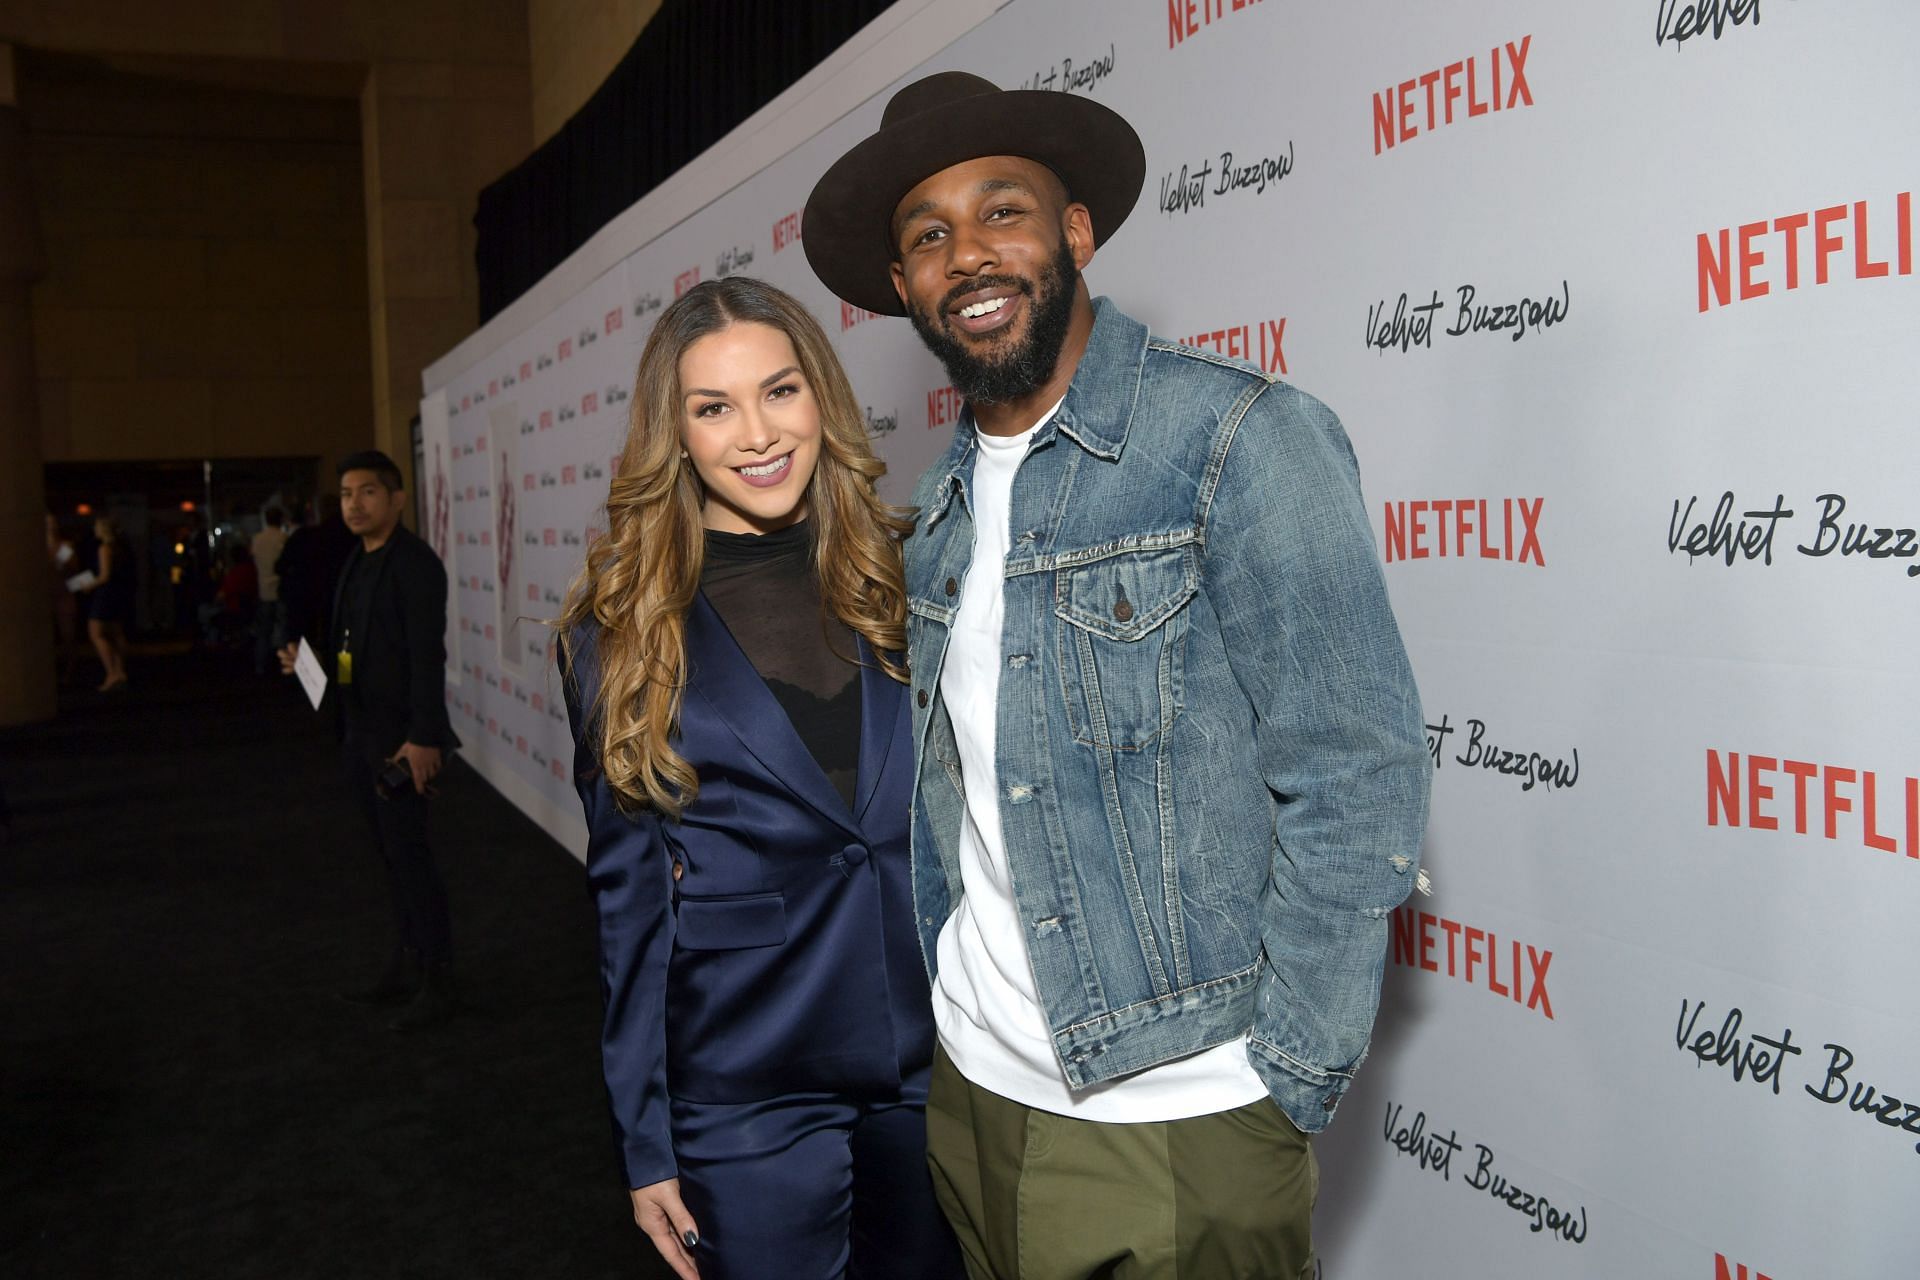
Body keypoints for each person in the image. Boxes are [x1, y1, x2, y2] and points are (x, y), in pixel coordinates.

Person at [802, 73, 1431, 1279]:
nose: (968, 254)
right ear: (901, 287)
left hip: (1182, 1122)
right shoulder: (929, 514)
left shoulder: (1240, 438)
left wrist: (1281, 1084)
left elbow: (1360, 771)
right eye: (927, 235)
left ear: (1076, 232)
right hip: (977, 1096)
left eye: (1003, 212)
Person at [557, 277, 963, 1280]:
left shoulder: (909, 578)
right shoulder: (619, 636)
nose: (756, 433)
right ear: (675, 433)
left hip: (939, 1059)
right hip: (746, 1083)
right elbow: (629, 902)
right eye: (713, 407)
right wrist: (644, 1136)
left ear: (821, 394)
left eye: (779, 391)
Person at [280, 451, 461, 1032]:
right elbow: (353, 649)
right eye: (346, 495)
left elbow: (427, 659)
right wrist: (308, 668)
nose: (354, 505)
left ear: (397, 499)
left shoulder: (416, 565)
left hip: (401, 740)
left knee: (412, 857)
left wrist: (425, 738)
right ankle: (407, 964)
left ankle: (438, 978)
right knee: (389, 858)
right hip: (359, 733)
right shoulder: (356, 562)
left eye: (367, 493)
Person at [85, 514, 134, 692]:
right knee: (116, 632)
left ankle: (111, 671)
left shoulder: (104, 548)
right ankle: (120, 670)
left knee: (96, 632)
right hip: (118, 593)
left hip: (105, 594)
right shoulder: (120, 548)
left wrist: (90, 585)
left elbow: (105, 575)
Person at [251, 505, 290, 674]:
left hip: (263, 590)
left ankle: (261, 665)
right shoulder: (283, 538)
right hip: (281, 589)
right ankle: (284, 665)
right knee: (283, 630)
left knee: (264, 632)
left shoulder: (257, 539)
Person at [46, 513, 81, 683]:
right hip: (46, 595)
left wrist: (62, 560)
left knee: (67, 634)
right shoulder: (37, 545)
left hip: (64, 593)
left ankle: (69, 671)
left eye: (53, 523)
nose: (51, 526)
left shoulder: (65, 546)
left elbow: (74, 567)